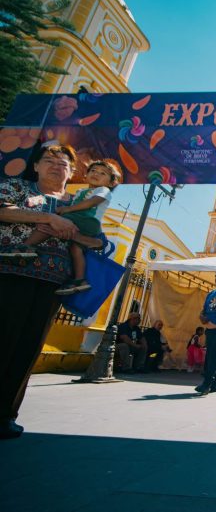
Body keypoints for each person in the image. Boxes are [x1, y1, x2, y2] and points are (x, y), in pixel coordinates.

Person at [0, 145, 89, 439]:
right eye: (48, 161)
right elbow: (3, 211)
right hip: (10, 273)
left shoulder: (76, 202)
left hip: (51, 281)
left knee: (29, 346)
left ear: (72, 172)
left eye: (62, 163)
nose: (55, 166)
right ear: (36, 166)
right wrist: (49, 219)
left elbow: (91, 238)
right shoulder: (17, 187)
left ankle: (5, 415)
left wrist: (75, 232)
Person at [1, 161, 121, 295]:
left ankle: (25, 246)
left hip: (87, 219)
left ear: (111, 183)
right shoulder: (81, 191)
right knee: (76, 250)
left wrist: (68, 209)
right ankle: (79, 280)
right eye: (93, 171)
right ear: (85, 175)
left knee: (51, 223)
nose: (96, 174)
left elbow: (91, 203)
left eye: (102, 173)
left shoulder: (103, 190)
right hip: (84, 223)